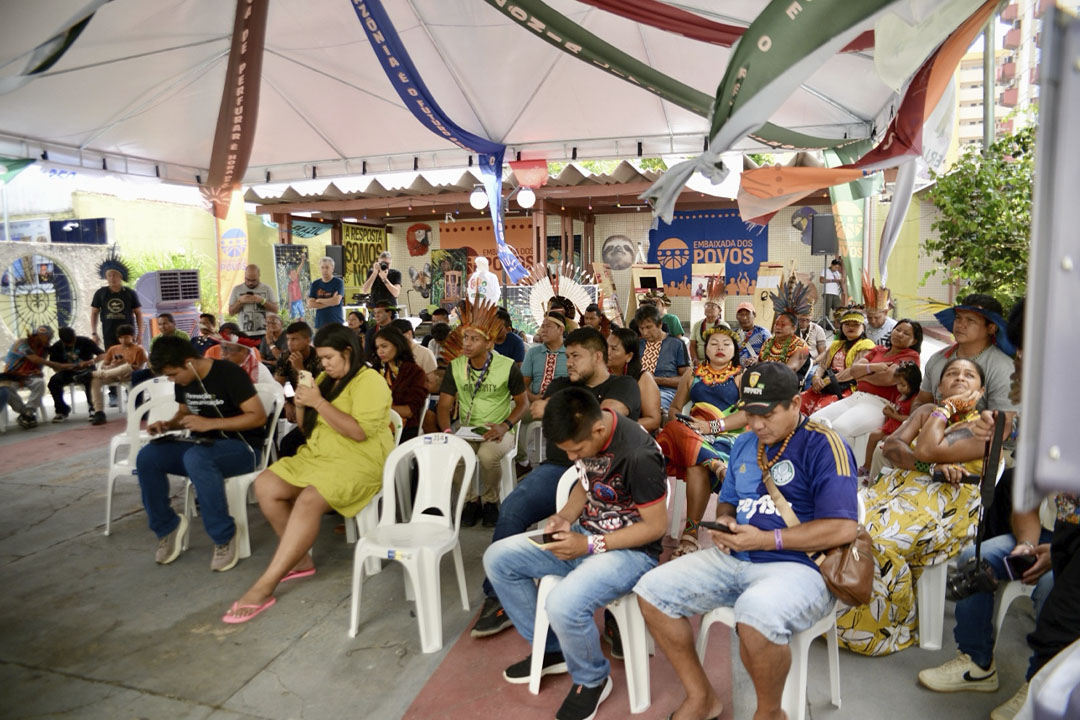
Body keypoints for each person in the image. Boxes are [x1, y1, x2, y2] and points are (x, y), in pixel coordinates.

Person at [635, 362, 859, 720]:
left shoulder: (824, 445)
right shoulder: (744, 444)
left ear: (796, 403)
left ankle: (769, 713)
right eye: (749, 413)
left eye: (767, 414)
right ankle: (702, 696)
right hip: (738, 556)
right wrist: (725, 519)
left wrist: (767, 539)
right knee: (651, 591)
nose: (756, 425)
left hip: (801, 566)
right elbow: (732, 500)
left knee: (755, 616)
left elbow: (842, 529)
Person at [483, 387, 667, 720]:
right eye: (565, 451)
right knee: (499, 558)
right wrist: (564, 517)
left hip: (631, 552)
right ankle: (554, 649)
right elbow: (586, 482)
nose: (571, 457)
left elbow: (655, 527)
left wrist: (589, 545)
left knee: (563, 602)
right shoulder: (588, 434)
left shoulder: (638, 454)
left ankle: (593, 678)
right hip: (586, 535)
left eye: (575, 450)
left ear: (598, 430)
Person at [471, 327, 642, 638]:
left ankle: (616, 615)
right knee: (511, 509)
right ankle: (497, 596)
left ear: (598, 356)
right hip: (558, 468)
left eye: (575, 356)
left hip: (606, 472)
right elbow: (538, 411)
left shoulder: (624, 384)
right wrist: (557, 408)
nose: (569, 363)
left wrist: (559, 408)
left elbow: (610, 415)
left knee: (610, 527)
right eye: (567, 356)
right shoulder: (562, 383)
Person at [222, 325, 393, 623]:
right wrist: (303, 404)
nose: (323, 363)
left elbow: (358, 433)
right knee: (265, 485)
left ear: (348, 352)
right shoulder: (325, 379)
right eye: (322, 357)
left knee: (309, 500)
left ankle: (265, 585)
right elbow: (306, 429)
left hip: (360, 461)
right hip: (319, 455)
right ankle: (299, 559)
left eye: (328, 357)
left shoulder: (371, 382)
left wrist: (317, 402)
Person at [837, 357, 993, 656]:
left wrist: (947, 408)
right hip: (897, 490)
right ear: (939, 384)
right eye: (952, 374)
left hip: (948, 504)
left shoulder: (982, 426)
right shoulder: (925, 412)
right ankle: (830, 602)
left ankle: (873, 625)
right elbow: (892, 448)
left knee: (879, 540)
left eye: (968, 376)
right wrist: (931, 466)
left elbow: (924, 447)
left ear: (981, 389)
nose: (959, 379)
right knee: (842, 523)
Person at [136, 336, 267, 572]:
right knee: (148, 457)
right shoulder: (185, 380)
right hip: (202, 445)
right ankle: (167, 526)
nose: (171, 380)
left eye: (173, 374)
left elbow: (257, 416)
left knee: (196, 458)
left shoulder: (229, 373)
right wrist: (168, 425)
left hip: (242, 448)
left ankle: (224, 536)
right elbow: (184, 414)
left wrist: (210, 423)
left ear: (189, 362)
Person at [436, 298, 528, 528]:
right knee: (455, 454)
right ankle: (470, 501)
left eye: (474, 339)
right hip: (468, 428)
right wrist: (448, 431)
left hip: (499, 428)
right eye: (465, 337)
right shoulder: (457, 366)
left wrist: (505, 426)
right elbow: (444, 406)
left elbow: (522, 404)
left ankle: (490, 501)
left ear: (489, 344)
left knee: (487, 457)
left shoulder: (507, 366)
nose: (466, 343)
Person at [657, 327, 748, 557]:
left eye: (726, 344)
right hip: (694, 433)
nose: (719, 348)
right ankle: (716, 465)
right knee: (673, 427)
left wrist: (713, 427)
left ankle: (690, 534)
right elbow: (675, 409)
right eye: (714, 343)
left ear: (734, 350)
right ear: (704, 348)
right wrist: (688, 424)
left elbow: (748, 414)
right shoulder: (692, 373)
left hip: (728, 437)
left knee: (696, 461)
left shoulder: (742, 375)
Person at [809, 318, 923, 446]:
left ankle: (846, 465)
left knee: (839, 428)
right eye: (898, 330)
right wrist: (874, 367)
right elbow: (854, 370)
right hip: (856, 397)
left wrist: (863, 377)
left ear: (914, 340)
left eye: (906, 333)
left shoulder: (911, 356)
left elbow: (889, 378)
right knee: (812, 423)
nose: (899, 334)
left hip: (880, 403)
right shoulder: (879, 350)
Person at [800, 307, 875, 416]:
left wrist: (826, 381)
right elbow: (822, 366)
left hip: (848, 388)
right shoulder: (837, 344)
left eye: (855, 324)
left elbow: (852, 372)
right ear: (842, 327)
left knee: (820, 411)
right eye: (847, 324)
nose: (851, 327)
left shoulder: (866, 346)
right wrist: (816, 378)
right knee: (798, 402)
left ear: (863, 328)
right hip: (826, 384)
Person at [860, 362, 922, 477]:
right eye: (898, 384)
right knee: (873, 435)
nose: (899, 388)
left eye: (903, 385)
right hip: (891, 425)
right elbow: (897, 410)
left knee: (884, 443)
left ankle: (879, 475)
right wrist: (890, 412)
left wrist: (893, 415)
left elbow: (910, 419)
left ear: (913, 384)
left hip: (901, 430)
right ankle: (867, 465)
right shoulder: (901, 395)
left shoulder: (915, 399)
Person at [370, 326, 428, 442]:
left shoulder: (414, 372)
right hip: (374, 425)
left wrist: (378, 408)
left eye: (384, 346)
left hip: (404, 429)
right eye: (377, 348)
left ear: (397, 345)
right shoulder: (375, 371)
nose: (380, 351)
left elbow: (409, 411)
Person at [273, 321, 323, 458]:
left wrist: (300, 368)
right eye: (288, 339)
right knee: (271, 413)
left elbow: (314, 391)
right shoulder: (285, 357)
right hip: (297, 402)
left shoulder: (319, 358)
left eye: (294, 339)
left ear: (308, 340)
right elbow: (277, 386)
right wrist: (286, 404)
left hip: (317, 406)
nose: (290, 343)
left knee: (289, 443)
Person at [3, 325, 60, 429]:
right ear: (39, 335)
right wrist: (53, 364)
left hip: (30, 375)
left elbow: (40, 365)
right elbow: (33, 359)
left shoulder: (44, 349)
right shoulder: (22, 343)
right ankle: (25, 413)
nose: (49, 340)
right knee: (6, 388)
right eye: (48, 337)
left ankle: (28, 412)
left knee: (39, 383)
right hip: (12, 375)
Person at [607, 327, 662, 433]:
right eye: (606, 347)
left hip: (634, 437)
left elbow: (653, 421)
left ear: (629, 356)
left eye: (614, 349)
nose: (607, 352)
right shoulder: (601, 372)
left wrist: (617, 427)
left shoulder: (643, 378)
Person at [90, 324, 148, 425]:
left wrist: (124, 362)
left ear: (133, 336)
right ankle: (99, 412)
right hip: (111, 374)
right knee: (96, 380)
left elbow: (139, 368)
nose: (123, 340)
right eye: (120, 337)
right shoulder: (113, 349)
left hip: (129, 375)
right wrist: (112, 365)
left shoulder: (139, 349)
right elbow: (104, 365)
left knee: (126, 367)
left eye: (126, 337)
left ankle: (91, 374)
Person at [635, 303, 689, 413]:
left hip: (665, 392)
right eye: (641, 328)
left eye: (649, 327)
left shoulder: (676, 344)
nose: (645, 333)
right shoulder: (638, 345)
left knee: (651, 407)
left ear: (659, 324)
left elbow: (686, 380)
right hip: (638, 390)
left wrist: (655, 380)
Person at [47, 327, 103, 423]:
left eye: (72, 341)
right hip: (67, 372)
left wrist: (90, 362)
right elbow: (54, 366)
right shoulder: (56, 347)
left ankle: (93, 408)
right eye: (67, 343)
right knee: (53, 382)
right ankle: (61, 410)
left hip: (86, 369)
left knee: (89, 379)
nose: (71, 344)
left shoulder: (85, 341)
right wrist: (65, 367)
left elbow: (102, 355)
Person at [90, 267, 143, 349]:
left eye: (114, 275)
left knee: (129, 358)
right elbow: (94, 313)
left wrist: (140, 334)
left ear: (121, 277)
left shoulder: (130, 293)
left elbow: (138, 313)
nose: (112, 278)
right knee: (113, 358)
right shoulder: (100, 293)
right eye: (109, 275)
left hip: (128, 334)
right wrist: (94, 333)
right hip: (109, 334)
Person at [228, 264, 278, 338]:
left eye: (254, 280)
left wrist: (262, 301)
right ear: (244, 276)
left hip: (265, 333)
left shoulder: (267, 288)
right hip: (244, 334)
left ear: (259, 276)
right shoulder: (237, 289)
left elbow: (275, 310)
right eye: (248, 279)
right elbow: (231, 312)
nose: (250, 283)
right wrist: (240, 302)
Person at [390, 318, 438, 392]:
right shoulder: (392, 354)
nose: (395, 341)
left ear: (409, 334)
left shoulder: (425, 353)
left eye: (397, 337)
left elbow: (433, 384)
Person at [689, 295, 730, 365]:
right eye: (707, 306)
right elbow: (692, 345)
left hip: (717, 362)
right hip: (699, 362)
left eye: (713, 306)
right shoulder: (697, 325)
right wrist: (695, 359)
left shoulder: (724, 326)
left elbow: (727, 346)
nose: (709, 308)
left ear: (719, 310)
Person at [307, 256, 344, 328]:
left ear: (332, 268)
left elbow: (336, 301)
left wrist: (320, 300)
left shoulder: (338, 282)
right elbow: (310, 304)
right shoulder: (315, 284)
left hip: (336, 322)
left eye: (327, 267)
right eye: (322, 267)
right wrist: (330, 301)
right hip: (320, 323)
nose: (324, 270)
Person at [733, 301, 771, 366]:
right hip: (736, 372)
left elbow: (772, 353)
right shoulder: (732, 334)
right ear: (737, 317)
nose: (744, 318)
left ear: (754, 315)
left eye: (748, 314)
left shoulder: (763, 333)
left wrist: (758, 360)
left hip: (757, 371)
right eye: (741, 314)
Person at [818, 258, 843, 328]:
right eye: (835, 267)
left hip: (836, 293)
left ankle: (839, 326)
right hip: (827, 292)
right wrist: (832, 280)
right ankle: (825, 326)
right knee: (827, 310)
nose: (836, 268)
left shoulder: (837, 273)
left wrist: (841, 281)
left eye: (837, 267)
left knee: (839, 310)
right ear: (831, 265)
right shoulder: (825, 270)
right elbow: (821, 280)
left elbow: (838, 282)